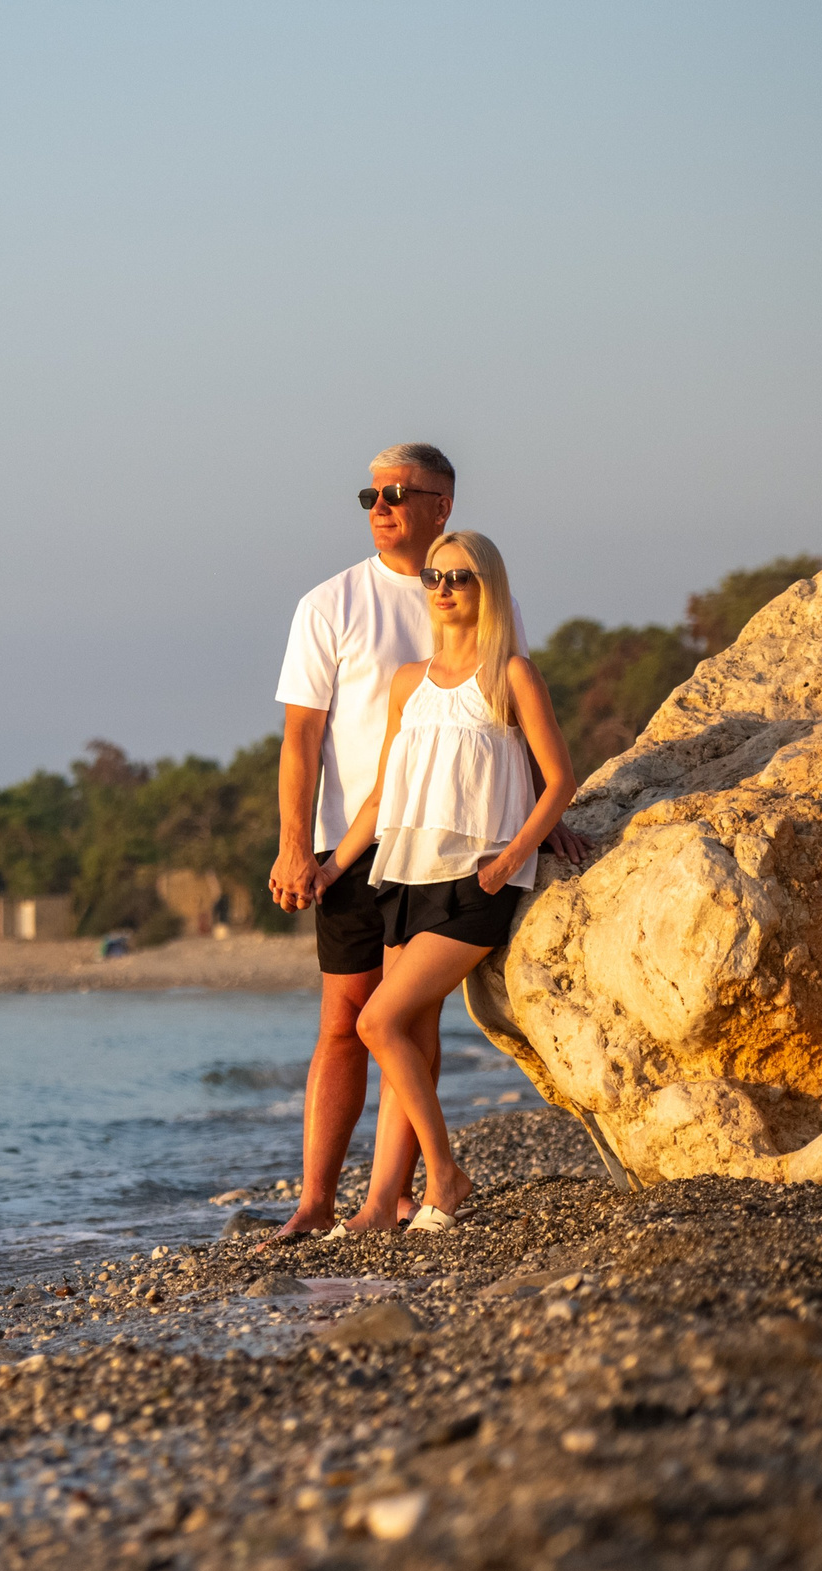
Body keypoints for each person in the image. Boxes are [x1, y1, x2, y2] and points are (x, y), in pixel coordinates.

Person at [264, 444, 583, 1239]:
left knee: (409, 1025)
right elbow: (301, 740)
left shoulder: (479, 605)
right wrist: (299, 848)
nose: (382, 504)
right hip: (363, 840)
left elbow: (519, 735)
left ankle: (397, 1196)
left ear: (443, 504)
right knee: (349, 1019)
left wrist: (539, 823)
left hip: (459, 854)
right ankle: (318, 1199)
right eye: (371, 492)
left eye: (400, 492)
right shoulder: (330, 605)